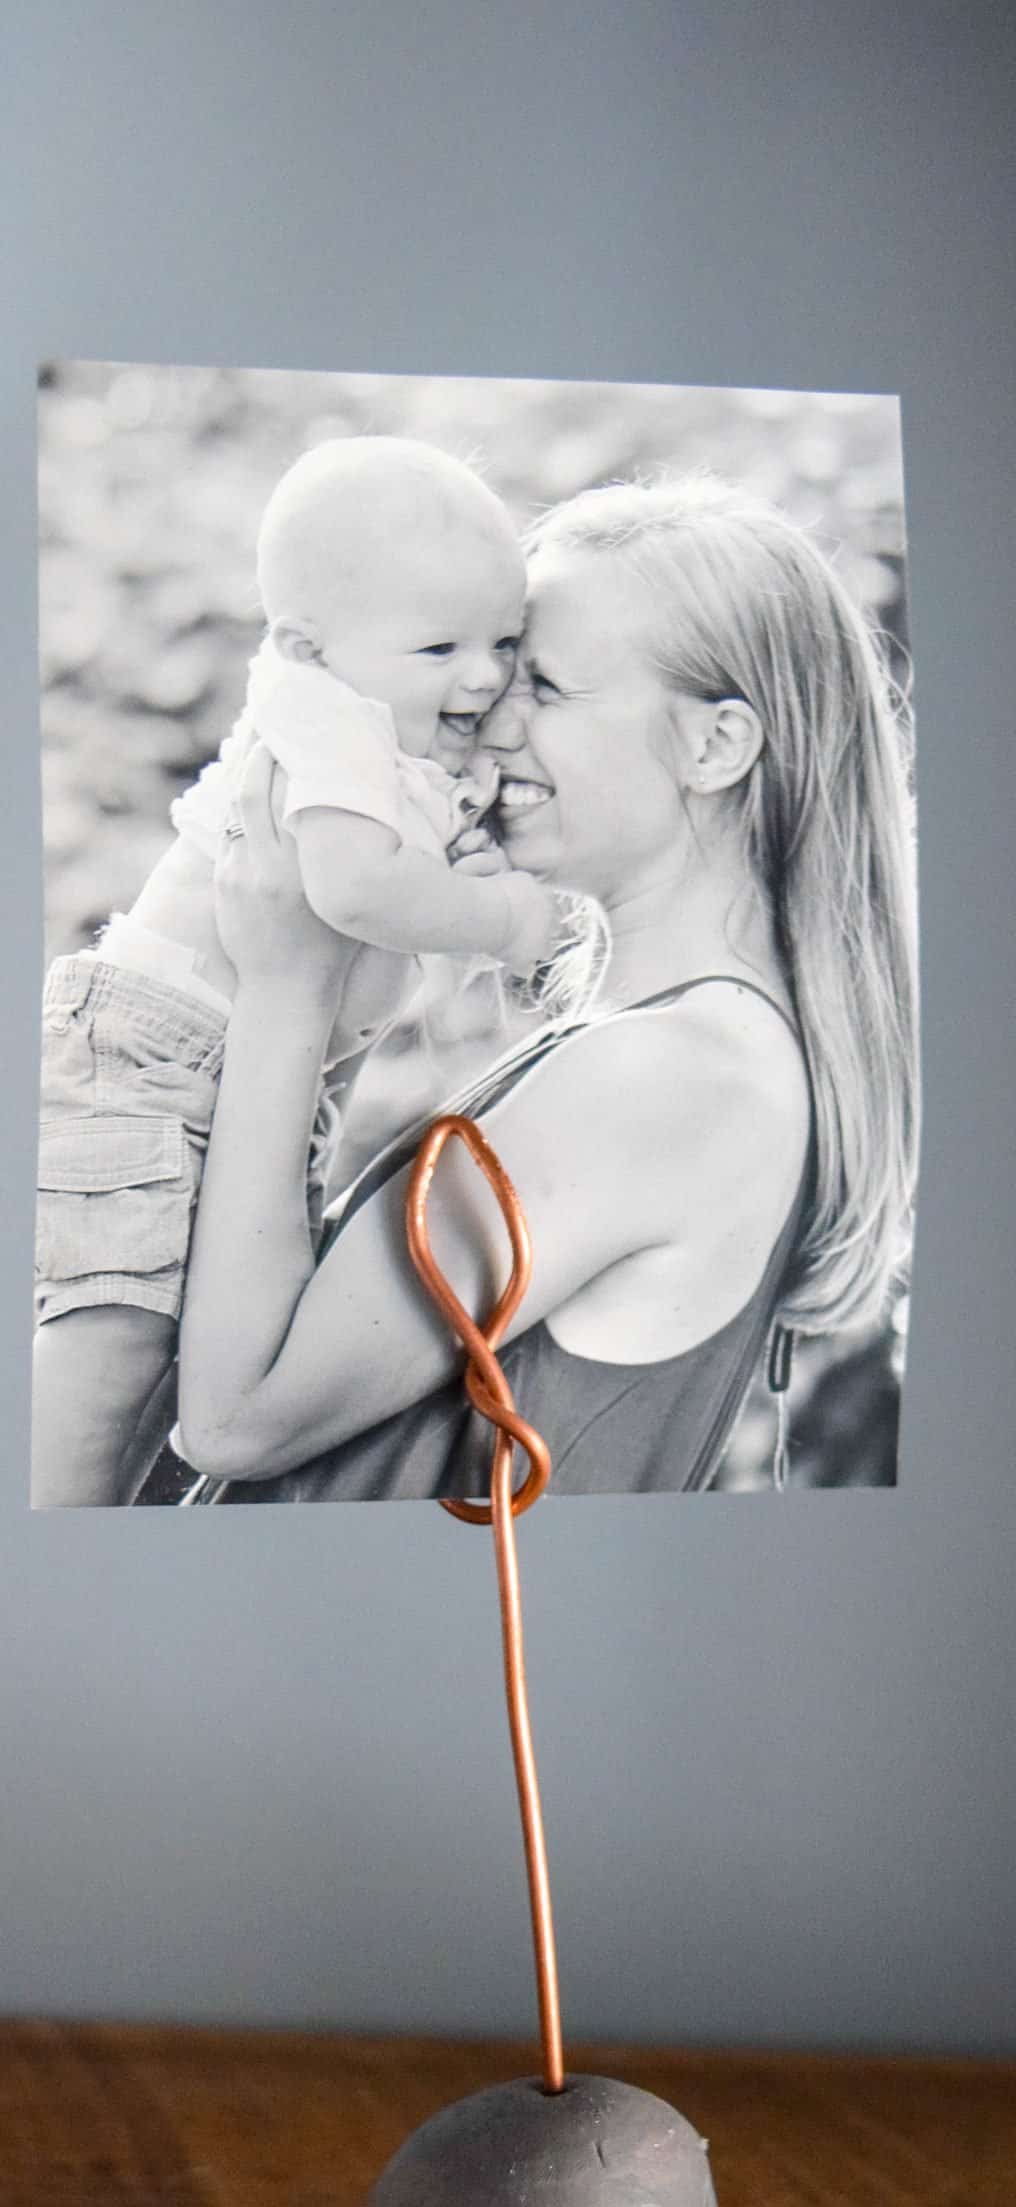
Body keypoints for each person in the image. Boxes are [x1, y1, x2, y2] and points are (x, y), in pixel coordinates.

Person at [171, 475, 919, 1502]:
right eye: (494, 669)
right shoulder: (672, 1048)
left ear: (715, 745)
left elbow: (232, 1417)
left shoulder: (669, 1074)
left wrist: (288, 987)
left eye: (545, 688)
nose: (487, 715)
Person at [32, 434, 558, 1507]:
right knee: (109, 1351)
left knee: (167, 1371)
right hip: (147, 1057)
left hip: (217, 1069)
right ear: (306, 648)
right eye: (440, 649)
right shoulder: (320, 716)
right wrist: (503, 918)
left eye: (505, 640)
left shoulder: (391, 721)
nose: (482, 674)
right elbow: (355, 890)